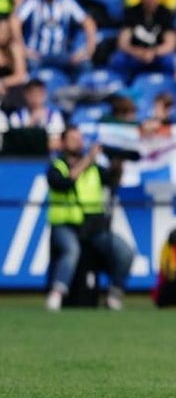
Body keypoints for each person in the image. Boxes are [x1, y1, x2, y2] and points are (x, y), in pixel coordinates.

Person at [44, 126, 135, 311]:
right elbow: (64, 183)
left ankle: (114, 294)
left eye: (80, 138)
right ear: (62, 142)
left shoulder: (94, 168)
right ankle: (57, 293)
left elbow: (112, 181)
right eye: (72, 139)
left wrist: (118, 163)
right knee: (71, 251)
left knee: (125, 252)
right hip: (65, 225)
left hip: (93, 227)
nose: (78, 142)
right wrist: (88, 159)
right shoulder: (57, 166)